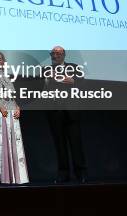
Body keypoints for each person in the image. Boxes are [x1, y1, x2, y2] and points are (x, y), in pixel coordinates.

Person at [0, 51, 29, 184]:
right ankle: (3, 176)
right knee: (2, 141)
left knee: (15, 143)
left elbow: (12, 96)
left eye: (2, 59)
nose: (1, 62)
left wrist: (17, 107)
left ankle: (16, 177)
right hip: (0, 111)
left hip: (11, 111)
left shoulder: (6, 76)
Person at [45, 45, 88, 183]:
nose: (55, 55)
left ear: (64, 55)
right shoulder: (46, 70)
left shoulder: (74, 67)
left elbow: (82, 83)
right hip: (54, 111)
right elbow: (40, 89)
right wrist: (46, 80)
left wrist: (73, 81)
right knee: (60, 144)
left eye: (58, 53)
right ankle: (63, 173)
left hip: (71, 110)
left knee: (76, 143)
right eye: (53, 53)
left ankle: (80, 172)